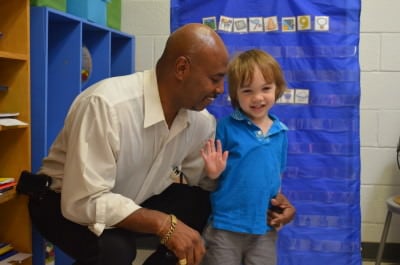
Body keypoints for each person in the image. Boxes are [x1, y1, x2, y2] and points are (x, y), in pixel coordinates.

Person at [25, 23, 294, 265]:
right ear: (181, 68)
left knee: (202, 203)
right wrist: (161, 223)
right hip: (62, 201)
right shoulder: (107, 105)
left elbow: (209, 182)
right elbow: (83, 201)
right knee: (116, 250)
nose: (221, 90)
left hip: (130, 198)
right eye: (215, 78)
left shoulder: (200, 121)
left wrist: (267, 199)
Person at [200, 49, 293, 265]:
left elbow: (276, 178)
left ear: (277, 88)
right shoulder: (225, 128)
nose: (258, 97)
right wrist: (213, 173)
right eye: (248, 91)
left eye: (266, 89)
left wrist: (279, 209)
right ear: (235, 94)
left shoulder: (280, 132)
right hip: (225, 226)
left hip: (263, 228)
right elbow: (210, 180)